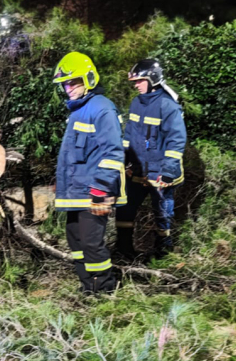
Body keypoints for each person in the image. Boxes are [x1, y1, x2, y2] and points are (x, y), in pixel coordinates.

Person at [52, 52, 127, 295]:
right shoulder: (78, 110)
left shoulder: (102, 109)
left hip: (94, 192)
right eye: (65, 84)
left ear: (89, 78)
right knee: (75, 240)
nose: (68, 88)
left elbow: (114, 152)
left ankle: (104, 291)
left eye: (73, 82)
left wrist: (101, 189)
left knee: (92, 243)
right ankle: (88, 287)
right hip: (77, 192)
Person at [114, 58, 186, 261]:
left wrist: (169, 171)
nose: (136, 85)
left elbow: (176, 140)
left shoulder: (168, 106)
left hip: (161, 173)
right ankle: (124, 249)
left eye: (139, 81)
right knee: (124, 210)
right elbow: (129, 135)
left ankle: (163, 254)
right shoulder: (137, 103)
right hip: (137, 170)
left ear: (152, 79)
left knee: (163, 215)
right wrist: (123, 158)